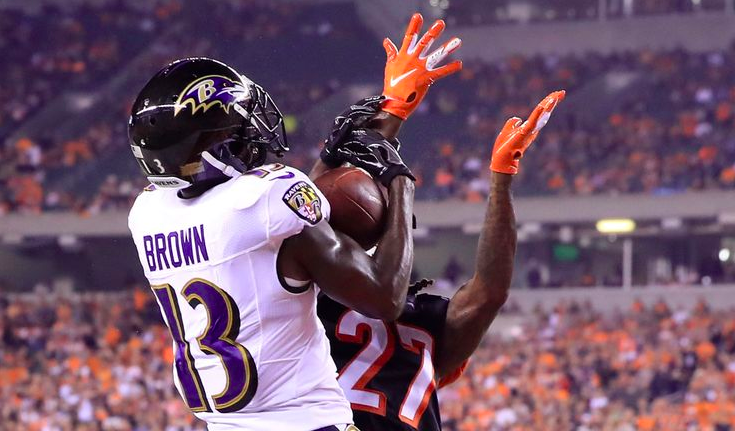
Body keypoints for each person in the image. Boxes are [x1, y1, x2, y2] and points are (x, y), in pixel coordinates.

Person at [125, 12, 461, 431]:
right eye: (239, 122)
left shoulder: (147, 215)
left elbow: (287, 226)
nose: (252, 127)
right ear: (214, 147)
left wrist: (388, 115)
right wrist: (400, 181)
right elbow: (385, 298)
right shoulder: (268, 199)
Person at [316, 89, 565, 430]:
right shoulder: (426, 322)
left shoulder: (303, 300)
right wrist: (501, 181)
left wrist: (336, 152)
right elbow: (490, 292)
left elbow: (296, 221)